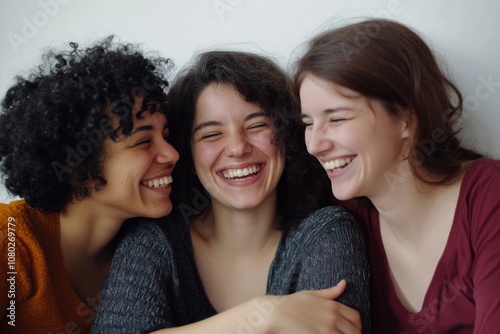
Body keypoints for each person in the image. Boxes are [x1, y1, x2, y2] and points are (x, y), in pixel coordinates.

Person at [92, 50, 370, 333]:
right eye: (211, 134)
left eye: (257, 125)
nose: (238, 148)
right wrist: (260, 316)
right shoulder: (153, 239)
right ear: (187, 154)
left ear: (287, 135)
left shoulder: (327, 233)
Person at [295, 18, 500, 333]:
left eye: (336, 118)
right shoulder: (343, 227)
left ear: (407, 118)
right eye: (309, 123)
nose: (314, 145)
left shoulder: (489, 196)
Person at [0, 36, 179, 333]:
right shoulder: (11, 242)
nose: (172, 154)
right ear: (78, 164)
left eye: (167, 136)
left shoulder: (148, 249)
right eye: (144, 141)